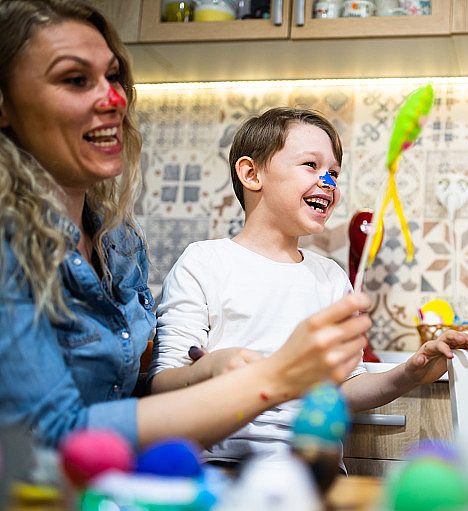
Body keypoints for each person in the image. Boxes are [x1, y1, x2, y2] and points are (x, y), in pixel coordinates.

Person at [0, 0, 377, 452]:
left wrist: (206, 374)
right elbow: (51, 432)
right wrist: (271, 378)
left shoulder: (120, 244)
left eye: (115, 77)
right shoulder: (10, 245)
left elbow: (125, 390)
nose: (116, 99)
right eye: (76, 79)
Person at [149, 107, 468, 464]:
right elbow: (162, 385)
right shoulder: (204, 262)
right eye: (310, 165)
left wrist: (408, 374)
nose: (328, 182)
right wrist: (207, 370)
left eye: (334, 171)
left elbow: (347, 388)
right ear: (251, 173)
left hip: (314, 470)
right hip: (220, 468)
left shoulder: (331, 277)